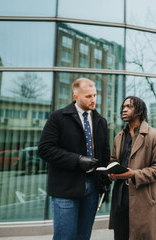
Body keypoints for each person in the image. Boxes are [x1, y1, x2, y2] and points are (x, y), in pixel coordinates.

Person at [38, 78, 110, 240]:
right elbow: (45, 149)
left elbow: (104, 155)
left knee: (83, 236)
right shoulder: (58, 117)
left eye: (95, 95)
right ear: (76, 96)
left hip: (92, 188)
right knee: (65, 237)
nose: (93, 100)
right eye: (88, 96)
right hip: (65, 187)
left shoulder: (100, 121)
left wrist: (105, 182)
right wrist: (77, 160)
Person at [107, 96, 156, 240]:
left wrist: (134, 174)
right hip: (120, 200)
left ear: (139, 110)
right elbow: (114, 161)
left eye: (129, 106)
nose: (124, 109)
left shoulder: (154, 136)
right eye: (123, 107)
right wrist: (111, 171)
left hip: (142, 201)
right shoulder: (119, 137)